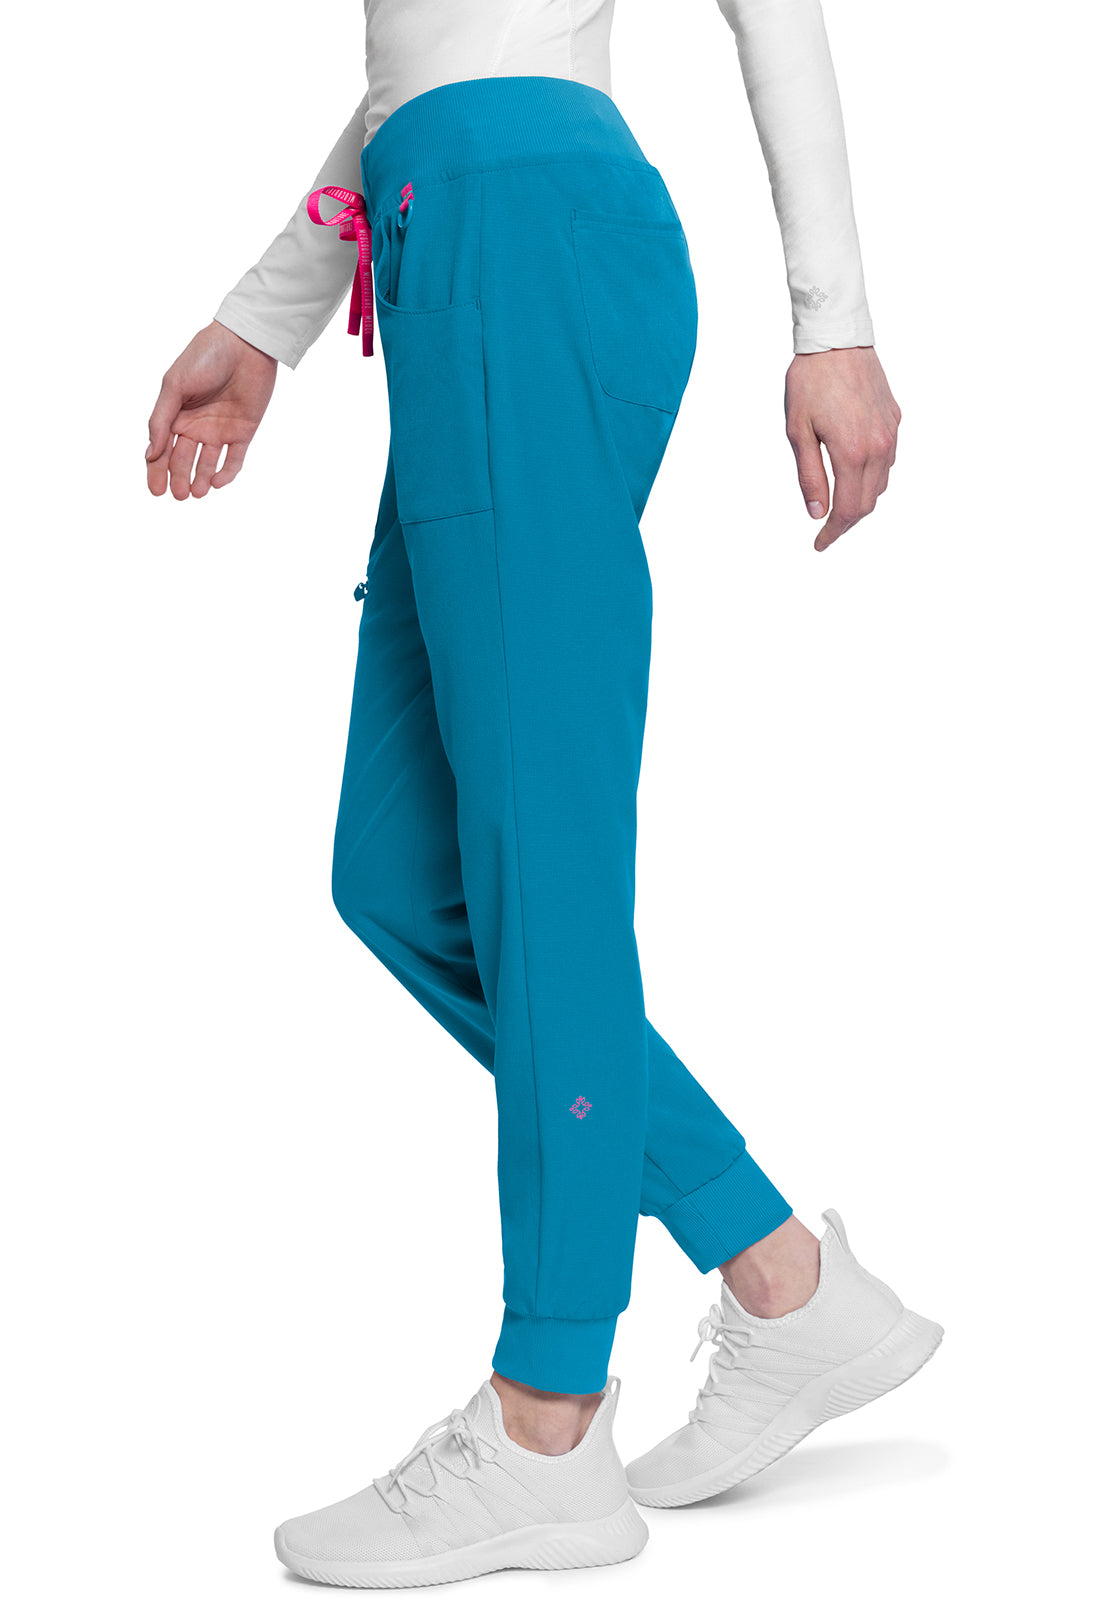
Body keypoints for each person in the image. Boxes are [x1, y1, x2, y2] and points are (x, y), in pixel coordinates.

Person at [145, 1, 939, 1587]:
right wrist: (270, 311)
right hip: (454, 243)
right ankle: (782, 1279)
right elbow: (433, 56)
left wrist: (835, 320)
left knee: (542, 866)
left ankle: (549, 1422)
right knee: (406, 871)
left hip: (514, 247)